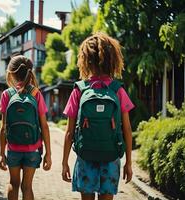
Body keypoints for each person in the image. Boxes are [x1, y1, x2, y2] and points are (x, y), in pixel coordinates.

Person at [62, 32, 134, 200]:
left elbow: (69, 133)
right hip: (111, 159)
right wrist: (129, 163)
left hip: (85, 157)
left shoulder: (79, 90)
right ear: (112, 59)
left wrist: (64, 162)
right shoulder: (118, 90)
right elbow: (127, 130)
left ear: (86, 60)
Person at [0, 55, 52, 200]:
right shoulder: (36, 93)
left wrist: (1, 154)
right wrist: (48, 153)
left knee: (13, 184)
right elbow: (45, 127)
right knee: (27, 187)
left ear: (11, 73)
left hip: (13, 149)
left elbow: (3, 128)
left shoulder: (6, 94)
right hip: (33, 148)